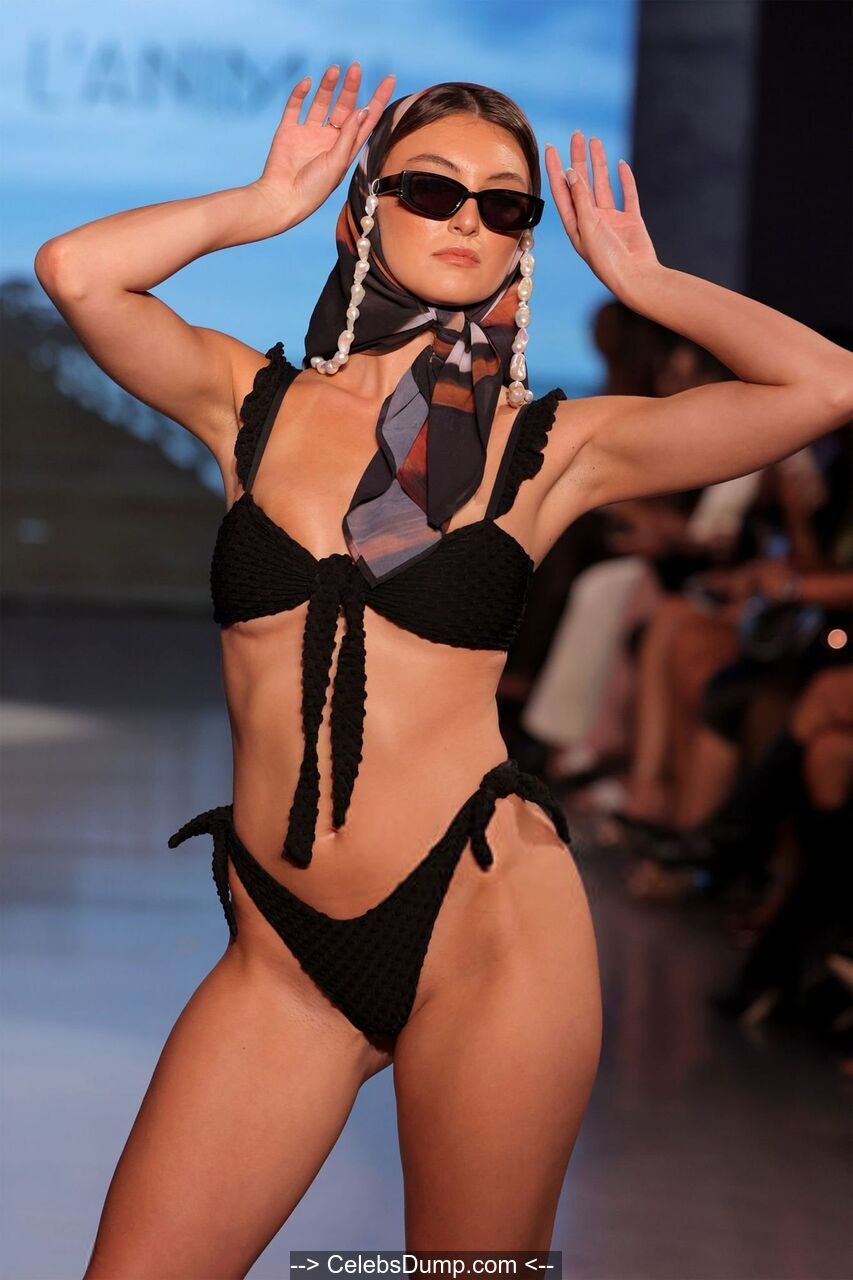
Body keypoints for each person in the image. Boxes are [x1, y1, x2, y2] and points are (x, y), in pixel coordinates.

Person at [34, 62, 853, 1272]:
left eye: (504, 205)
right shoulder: (248, 403)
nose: (469, 218)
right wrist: (261, 205)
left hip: (488, 936)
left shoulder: (549, 446)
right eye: (430, 189)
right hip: (282, 955)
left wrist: (649, 283)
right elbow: (76, 271)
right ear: (362, 215)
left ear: (523, 243)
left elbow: (827, 385)